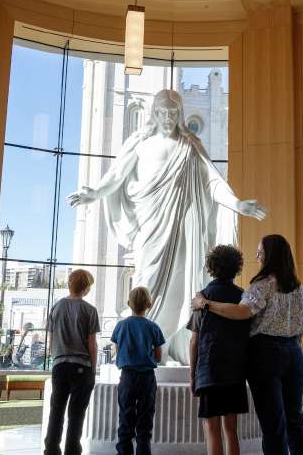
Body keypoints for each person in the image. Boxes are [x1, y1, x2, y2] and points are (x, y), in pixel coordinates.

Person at [67, 89, 266, 363]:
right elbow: (116, 175)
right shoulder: (140, 143)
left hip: (184, 229)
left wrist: (237, 203)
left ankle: (170, 346)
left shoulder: (189, 145)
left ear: (180, 114)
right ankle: (145, 347)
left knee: (181, 286)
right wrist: (94, 193)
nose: (169, 117)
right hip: (151, 226)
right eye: (163, 112)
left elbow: (212, 181)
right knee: (146, 280)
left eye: (174, 112)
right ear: (155, 113)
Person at [192, 234, 303, 455]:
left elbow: (242, 312)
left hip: (266, 354)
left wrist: (206, 303)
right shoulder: (299, 289)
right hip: (295, 354)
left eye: (260, 252)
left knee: (273, 422)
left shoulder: (262, 286)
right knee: (295, 419)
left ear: (270, 256)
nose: (257, 256)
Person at [188, 244, 249, 455]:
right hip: (235, 370)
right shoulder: (243, 297)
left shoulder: (201, 298)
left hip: (209, 370)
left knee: (211, 428)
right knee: (231, 429)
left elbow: (194, 341)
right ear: (237, 267)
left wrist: (192, 376)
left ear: (211, 267)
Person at [44, 269, 100, 455]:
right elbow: (91, 344)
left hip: (59, 365)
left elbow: (51, 340)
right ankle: (72, 451)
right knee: (76, 415)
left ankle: (51, 450)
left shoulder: (56, 307)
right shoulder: (89, 310)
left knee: (56, 411)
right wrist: (93, 369)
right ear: (86, 287)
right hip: (81, 367)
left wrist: (56, 359)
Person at [111, 287, 166, 455]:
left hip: (127, 377)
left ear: (128, 304)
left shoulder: (121, 326)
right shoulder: (153, 327)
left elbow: (116, 350)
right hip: (147, 378)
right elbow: (158, 355)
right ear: (149, 304)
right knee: (144, 423)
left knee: (125, 421)